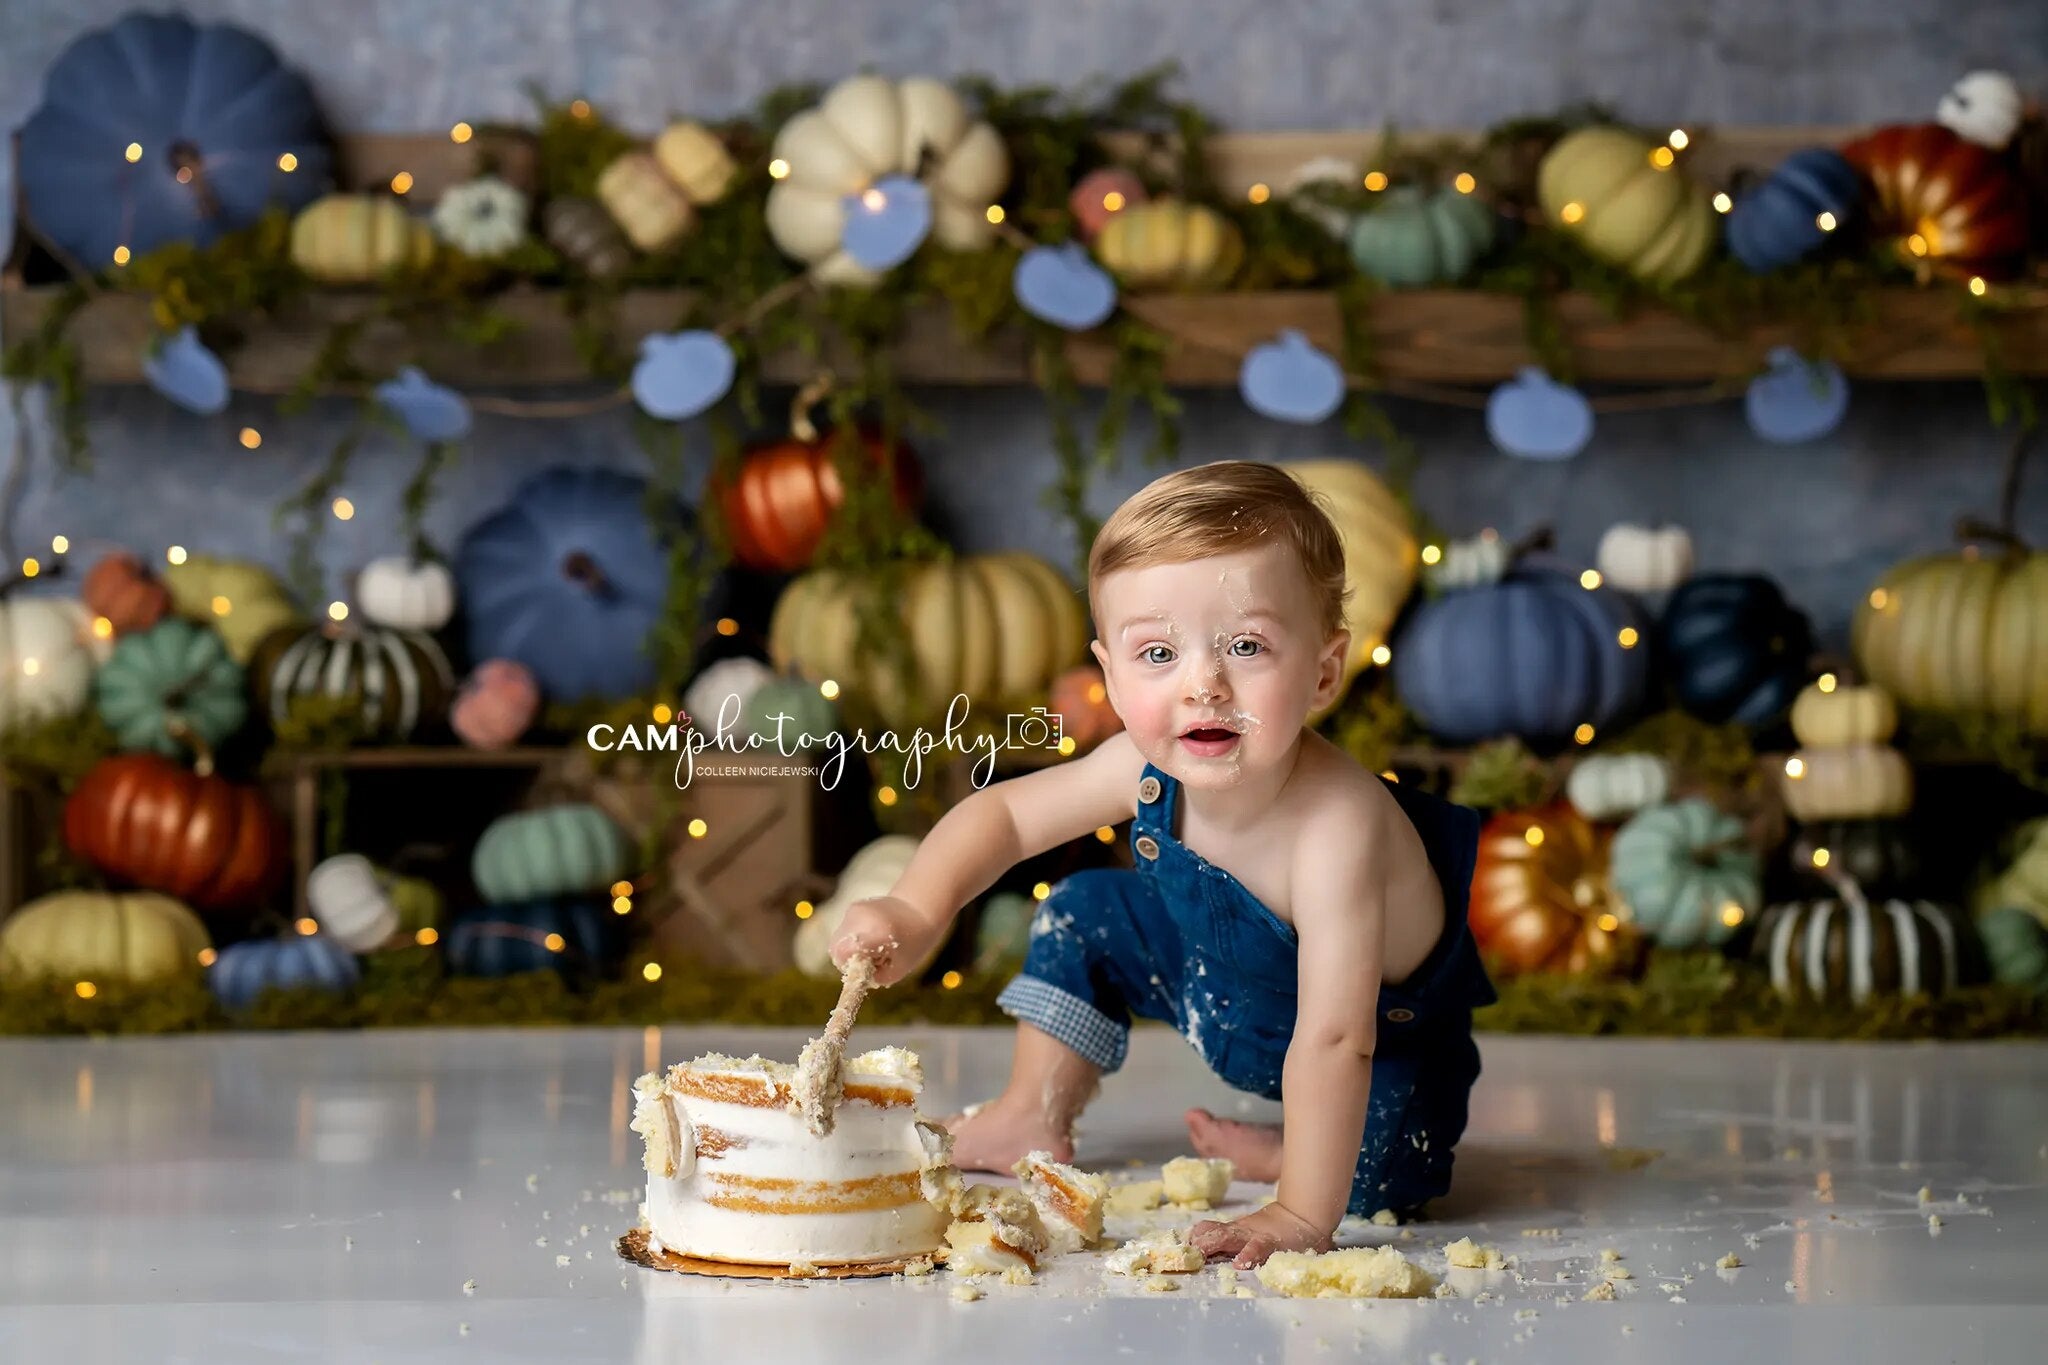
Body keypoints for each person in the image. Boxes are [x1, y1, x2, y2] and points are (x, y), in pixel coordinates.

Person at [830, 460, 1494, 1268]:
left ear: (1323, 671)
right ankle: (1030, 1109)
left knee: (1388, 1177)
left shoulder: (1338, 828)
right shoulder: (1140, 767)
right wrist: (916, 909)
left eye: (1246, 645)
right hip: (1224, 986)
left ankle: (1295, 1162)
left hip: (1374, 1036)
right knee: (1083, 909)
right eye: (1157, 653)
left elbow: (1333, 1038)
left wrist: (1298, 1212)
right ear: (1108, 674)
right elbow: (1004, 815)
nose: (1203, 684)